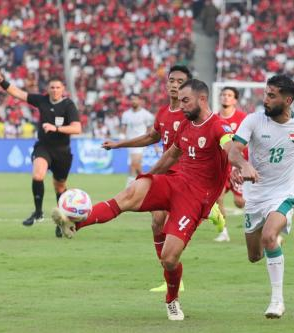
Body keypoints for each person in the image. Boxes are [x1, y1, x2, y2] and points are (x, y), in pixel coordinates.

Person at [53, 79, 234, 321]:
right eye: (180, 101)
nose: (181, 106)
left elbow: (231, 148)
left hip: (196, 199)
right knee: (129, 194)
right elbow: (171, 155)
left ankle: (172, 300)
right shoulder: (186, 124)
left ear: (202, 99)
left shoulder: (218, 127)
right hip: (175, 182)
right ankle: (74, 224)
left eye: (185, 100)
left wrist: (242, 167)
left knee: (169, 259)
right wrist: (147, 179)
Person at [102, 66, 224, 293]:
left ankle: (208, 212)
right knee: (156, 223)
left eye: (180, 81)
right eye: (171, 80)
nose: (174, 85)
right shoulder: (163, 113)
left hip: (186, 178)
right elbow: (151, 137)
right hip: (166, 172)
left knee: (165, 223)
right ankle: (168, 273)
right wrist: (119, 144)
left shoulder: (193, 114)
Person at [228, 74, 294, 319]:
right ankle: (272, 246)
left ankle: (277, 301)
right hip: (255, 196)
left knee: (269, 235)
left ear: (288, 100)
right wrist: (243, 165)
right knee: (254, 256)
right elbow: (232, 151)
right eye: (265, 93)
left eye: (271, 96)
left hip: (284, 193)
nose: (265, 99)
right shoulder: (253, 121)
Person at [0, 64, 81, 237]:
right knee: (38, 175)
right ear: (48, 89)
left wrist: (55, 128)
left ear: (63, 89)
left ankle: (62, 222)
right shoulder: (41, 100)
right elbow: (17, 93)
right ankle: (38, 213)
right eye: (52, 87)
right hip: (44, 147)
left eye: (58, 87)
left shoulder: (68, 105)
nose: (55, 90)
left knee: (60, 188)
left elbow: (77, 128)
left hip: (62, 151)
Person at [214, 86, 247, 242]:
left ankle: (263, 221)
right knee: (218, 197)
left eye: (229, 95)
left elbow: (249, 141)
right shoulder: (214, 119)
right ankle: (223, 232)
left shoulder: (242, 118)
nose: (226, 97)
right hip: (221, 166)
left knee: (240, 203)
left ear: (235, 100)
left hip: (238, 165)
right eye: (223, 95)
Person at [120, 94, 154, 187]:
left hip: (140, 142)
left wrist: (148, 139)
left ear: (139, 101)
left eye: (135, 99)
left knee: (133, 164)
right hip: (129, 143)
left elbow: (150, 128)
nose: (133, 101)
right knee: (137, 167)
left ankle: (128, 187)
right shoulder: (126, 114)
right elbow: (124, 127)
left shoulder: (146, 115)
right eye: (131, 100)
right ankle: (146, 183)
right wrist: (122, 138)